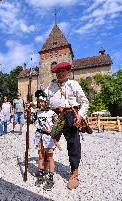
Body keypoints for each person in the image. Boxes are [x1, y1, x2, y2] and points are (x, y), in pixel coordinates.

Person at [45, 61, 89, 190]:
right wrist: (35, 102)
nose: (60, 73)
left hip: (70, 115)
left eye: (63, 71)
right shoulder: (51, 85)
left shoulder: (73, 84)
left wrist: (80, 115)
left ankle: (74, 172)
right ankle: (45, 166)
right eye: (58, 71)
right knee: (50, 140)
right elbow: (44, 97)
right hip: (55, 116)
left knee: (73, 144)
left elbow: (84, 102)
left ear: (68, 72)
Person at [33, 90, 57, 191]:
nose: (40, 103)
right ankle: (41, 175)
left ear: (46, 102)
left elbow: (58, 125)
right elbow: (31, 121)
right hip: (39, 137)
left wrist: (52, 130)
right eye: (39, 101)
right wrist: (28, 111)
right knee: (41, 156)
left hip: (48, 137)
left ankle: (50, 178)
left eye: (42, 101)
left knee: (50, 157)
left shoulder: (52, 113)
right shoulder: (37, 113)